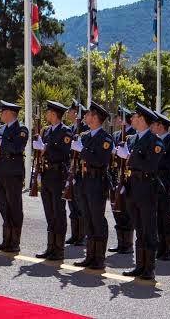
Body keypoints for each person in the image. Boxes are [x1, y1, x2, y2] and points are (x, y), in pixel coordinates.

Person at [119, 103, 166, 280]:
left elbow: (151, 165)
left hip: (147, 187)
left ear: (143, 120)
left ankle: (149, 268)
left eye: (135, 116)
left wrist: (130, 157)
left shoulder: (155, 142)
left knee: (148, 228)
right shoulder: (131, 139)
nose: (131, 119)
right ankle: (139, 265)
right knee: (138, 227)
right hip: (133, 186)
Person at [72, 101, 113, 271]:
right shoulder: (85, 136)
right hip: (84, 181)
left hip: (97, 182)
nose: (85, 116)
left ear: (96, 118)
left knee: (97, 220)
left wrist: (82, 150)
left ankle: (99, 258)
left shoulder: (105, 139)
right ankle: (89, 256)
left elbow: (100, 160)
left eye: (88, 114)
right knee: (87, 219)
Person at [32, 100, 71, 261]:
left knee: (58, 213)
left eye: (48, 112)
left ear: (54, 114)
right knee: (49, 212)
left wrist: (45, 149)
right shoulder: (46, 131)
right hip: (47, 175)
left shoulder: (65, 132)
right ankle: (50, 247)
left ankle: (59, 249)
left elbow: (64, 154)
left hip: (58, 175)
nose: (46, 115)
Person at [0, 100, 28, 253]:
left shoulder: (21, 129)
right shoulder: (1, 128)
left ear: (10, 114)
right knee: (3, 204)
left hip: (14, 171)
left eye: (3, 112)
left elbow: (17, 147)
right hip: (1, 170)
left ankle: (15, 242)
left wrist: (0, 140)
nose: (1, 114)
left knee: (14, 206)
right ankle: (6, 240)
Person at [108, 106, 136, 254]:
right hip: (115, 176)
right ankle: (120, 243)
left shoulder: (133, 134)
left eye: (120, 117)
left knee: (126, 211)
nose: (117, 120)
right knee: (116, 209)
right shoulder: (117, 134)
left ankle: (128, 244)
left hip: (127, 177)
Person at [65, 100, 88, 246]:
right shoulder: (70, 129)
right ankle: (74, 234)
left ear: (76, 113)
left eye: (70, 111)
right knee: (72, 203)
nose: (67, 113)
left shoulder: (85, 129)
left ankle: (81, 235)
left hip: (81, 172)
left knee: (80, 204)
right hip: (71, 170)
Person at [152, 111, 170, 261]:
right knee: (157, 216)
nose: (153, 126)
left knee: (166, 216)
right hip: (155, 182)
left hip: (166, 182)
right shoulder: (155, 141)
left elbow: (169, 163)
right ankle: (160, 247)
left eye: (155, 123)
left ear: (161, 126)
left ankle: (168, 250)